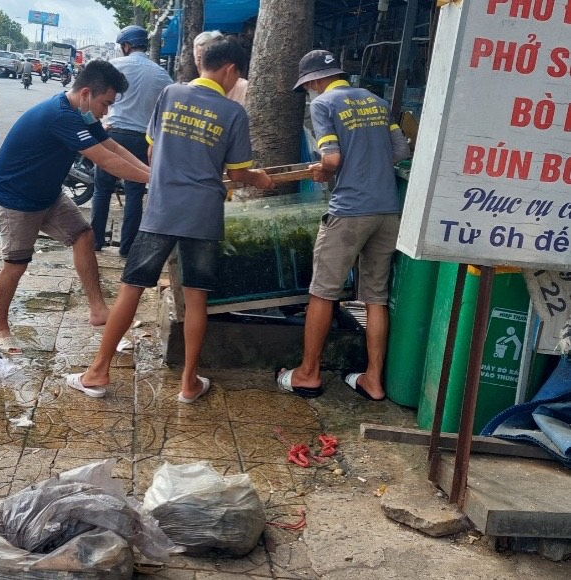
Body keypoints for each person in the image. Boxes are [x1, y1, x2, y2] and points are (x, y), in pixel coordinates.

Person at [68, 36, 274, 400]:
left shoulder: (171, 95)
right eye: (237, 74)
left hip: (161, 208)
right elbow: (239, 172)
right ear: (230, 70)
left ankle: (98, 372)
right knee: (196, 299)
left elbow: (151, 148)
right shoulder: (232, 112)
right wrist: (260, 177)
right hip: (203, 215)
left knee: (132, 287)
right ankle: (189, 383)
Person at [0, 60, 151, 353]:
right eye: (106, 103)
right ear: (87, 94)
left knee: (84, 235)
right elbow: (106, 161)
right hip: (17, 197)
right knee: (16, 265)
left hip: (48, 194)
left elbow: (113, 147)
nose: (107, 112)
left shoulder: (82, 114)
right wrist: (155, 179)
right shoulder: (61, 116)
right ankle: (0, 328)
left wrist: (153, 173)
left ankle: (98, 311)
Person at [275, 50, 410, 401]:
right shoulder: (378, 103)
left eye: (307, 87)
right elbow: (399, 151)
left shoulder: (324, 105)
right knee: (375, 298)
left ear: (313, 81)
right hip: (387, 211)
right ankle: (374, 380)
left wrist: (324, 170)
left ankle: (307, 374)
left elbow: (331, 158)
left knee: (323, 291)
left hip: (349, 211)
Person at [92, 25, 172, 257]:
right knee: (135, 193)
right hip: (141, 139)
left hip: (112, 134)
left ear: (126, 46)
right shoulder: (162, 75)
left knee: (102, 189)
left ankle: (96, 241)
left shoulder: (114, 66)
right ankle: (127, 247)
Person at [193, 31, 248, 106]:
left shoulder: (243, 89)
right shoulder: (189, 88)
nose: (203, 64)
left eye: (209, 59)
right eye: (199, 59)